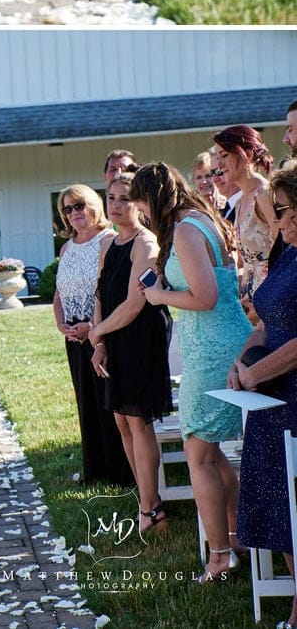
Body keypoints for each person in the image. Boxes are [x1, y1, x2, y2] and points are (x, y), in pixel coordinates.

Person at [133, 161, 252, 582]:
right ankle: (238, 538)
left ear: (153, 199)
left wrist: (159, 294)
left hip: (212, 350)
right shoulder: (205, 218)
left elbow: (205, 296)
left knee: (197, 454)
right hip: (226, 339)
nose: (142, 214)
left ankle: (220, 557)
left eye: (142, 205)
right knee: (213, 453)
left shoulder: (184, 229)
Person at [87, 169, 174, 538]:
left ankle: (152, 509)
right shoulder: (108, 244)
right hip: (113, 337)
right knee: (122, 421)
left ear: (138, 203)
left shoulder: (146, 244)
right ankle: (147, 500)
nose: (117, 205)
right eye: (111, 198)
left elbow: (134, 305)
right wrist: (100, 341)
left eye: (125, 199)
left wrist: (97, 331)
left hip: (139, 337)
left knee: (138, 421)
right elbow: (101, 295)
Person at [231, 161, 297, 625]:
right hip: (268, 400)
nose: (283, 222)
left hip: (292, 399)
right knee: (281, 512)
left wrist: (257, 375)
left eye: (292, 212)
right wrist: (243, 362)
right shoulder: (289, 252)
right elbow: (266, 319)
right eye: (280, 212)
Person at [51, 184, 132, 487]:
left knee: (108, 402)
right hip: (73, 334)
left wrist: (92, 328)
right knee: (85, 400)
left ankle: (120, 471)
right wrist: (61, 324)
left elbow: (108, 292)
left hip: (100, 330)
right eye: (68, 209)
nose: (74, 214)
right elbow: (59, 292)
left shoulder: (108, 240)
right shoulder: (66, 247)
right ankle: (95, 468)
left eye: (79, 206)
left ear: (93, 205)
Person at [215, 124, 277, 291]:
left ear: (247, 155)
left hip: (274, 297)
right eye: (217, 157)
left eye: (224, 155)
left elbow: (287, 253)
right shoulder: (240, 202)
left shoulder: (265, 195)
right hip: (252, 303)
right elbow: (247, 263)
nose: (218, 164)